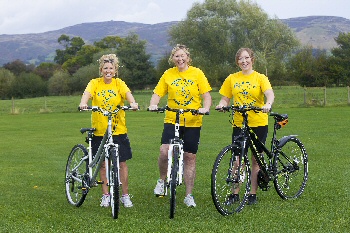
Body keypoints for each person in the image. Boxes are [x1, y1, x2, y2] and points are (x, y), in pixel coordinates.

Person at [148, 44, 212, 207]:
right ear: (173, 58)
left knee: (190, 157)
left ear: (188, 57)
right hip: (172, 118)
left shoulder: (197, 73)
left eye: (182, 55)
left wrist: (205, 108)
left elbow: (206, 95)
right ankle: (162, 181)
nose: (180, 58)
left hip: (193, 120)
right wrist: (153, 104)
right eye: (177, 56)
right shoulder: (168, 74)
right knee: (164, 151)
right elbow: (157, 93)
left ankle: (188, 195)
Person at [216, 48, 275, 205]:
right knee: (237, 159)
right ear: (237, 62)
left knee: (256, 159)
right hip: (239, 122)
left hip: (258, 122)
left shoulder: (260, 78)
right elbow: (225, 98)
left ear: (252, 59)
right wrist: (222, 105)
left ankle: (252, 194)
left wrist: (268, 104)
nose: (244, 61)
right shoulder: (232, 78)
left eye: (247, 58)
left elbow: (269, 93)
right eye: (241, 59)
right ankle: (235, 194)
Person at [79, 54, 138, 208]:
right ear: (101, 70)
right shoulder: (94, 83)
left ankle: (125, 195)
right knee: (104, 164)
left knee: (122, 163)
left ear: (115, 70)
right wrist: (84, 103)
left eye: (111, 68)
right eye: (105, 68)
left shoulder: (119, 83)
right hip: (100, 130)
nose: (108, 70)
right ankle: (106, 195)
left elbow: (128, 95)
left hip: (118, 129)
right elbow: (87, 95)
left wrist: (132, 103)